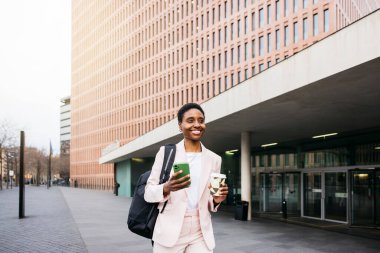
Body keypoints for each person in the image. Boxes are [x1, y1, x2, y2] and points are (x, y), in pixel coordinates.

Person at [144, 103, 228, 253]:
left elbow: (209, 201)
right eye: (190, 120)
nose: (197, 124)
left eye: (201, 120)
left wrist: (216, 200)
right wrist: (166, 187)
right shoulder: (167, 153)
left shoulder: (214, 159)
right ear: (180, 125)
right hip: (170, 230)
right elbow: (148, 192)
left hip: (200, 231)